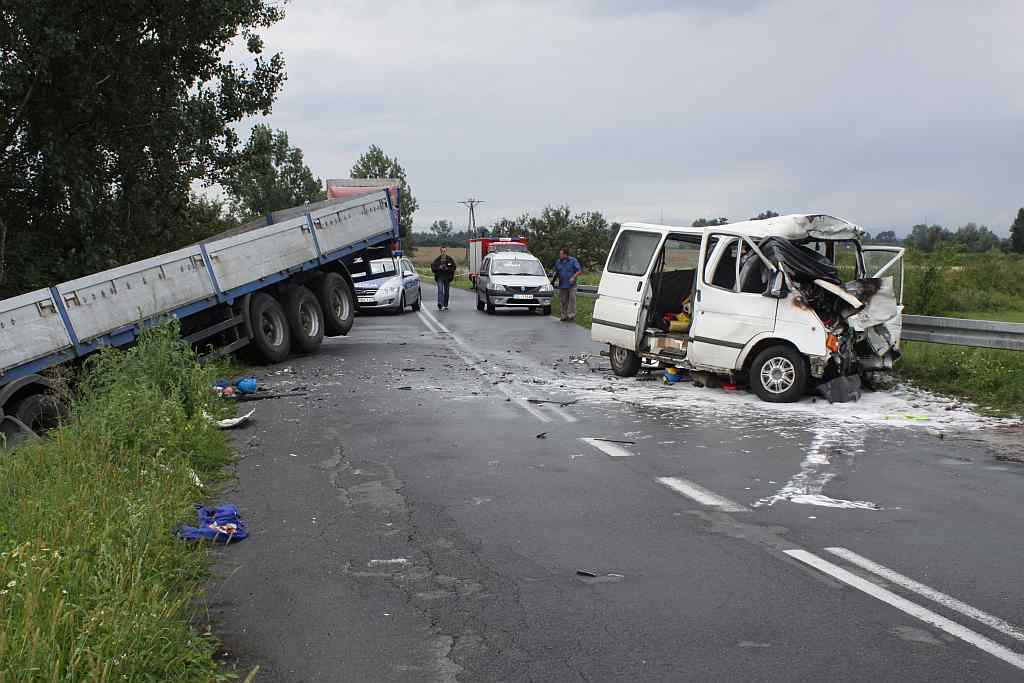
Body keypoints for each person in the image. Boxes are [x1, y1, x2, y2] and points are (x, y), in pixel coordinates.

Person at [551, 247, 582, 322]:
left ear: (565, 254)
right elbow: (556, 272)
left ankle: (571, 316)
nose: (559, 255)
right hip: (562, 284)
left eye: (561, 254)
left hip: (572, 285)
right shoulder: (558, 262)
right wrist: (553, 280)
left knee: (572, 300)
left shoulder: (573, 261)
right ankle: (563, 316)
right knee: (563, 301)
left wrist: (573, 277)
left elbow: (579, 271)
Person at [431, 246, 457, 310]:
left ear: (446, 251)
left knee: (446, 292)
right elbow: (433, 267)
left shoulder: (450, 259)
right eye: (442, 251)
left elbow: (454, 267)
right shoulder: (437, 259)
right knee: (440, 291)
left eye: (444, 251)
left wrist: (447, 268)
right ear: (440, 252)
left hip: (447, 277)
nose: (443, 252)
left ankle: (445, 305)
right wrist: (439, 268)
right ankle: (440, 304)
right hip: (440, 277)